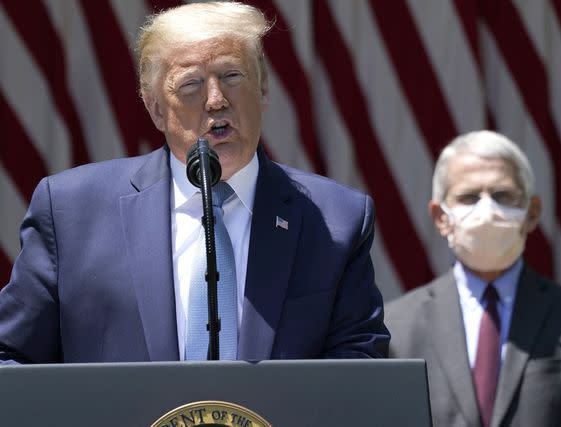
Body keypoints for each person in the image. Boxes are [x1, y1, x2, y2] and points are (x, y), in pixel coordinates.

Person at [0, 1, 388, 363]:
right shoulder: (71, 212)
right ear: (155, 109)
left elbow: (360, 373)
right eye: (191, 84)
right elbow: (10, 359)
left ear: (264, 89)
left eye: (232, 76)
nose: (216, 100)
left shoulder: (337, 220)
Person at [386, 131, 561, 426]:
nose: (487, 210)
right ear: (440, 217)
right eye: (469, 197)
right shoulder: (395, 328)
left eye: (503, 196)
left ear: (532, 212)